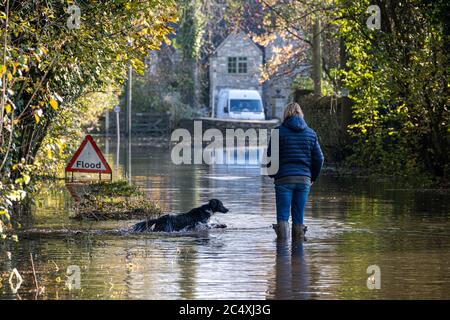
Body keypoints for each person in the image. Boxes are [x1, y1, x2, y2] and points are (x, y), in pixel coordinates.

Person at [268, 102, 324, 241]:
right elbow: (320, 159)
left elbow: (270, 157)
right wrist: (312, 178)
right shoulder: (311, 133)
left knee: (283, 215)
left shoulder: (277, 132)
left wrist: (273, 174)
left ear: (286, 114)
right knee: (299, 216)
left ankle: (281, 250)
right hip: (304, 179)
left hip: (283, 179)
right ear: (301, 114)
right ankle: (298, 250)